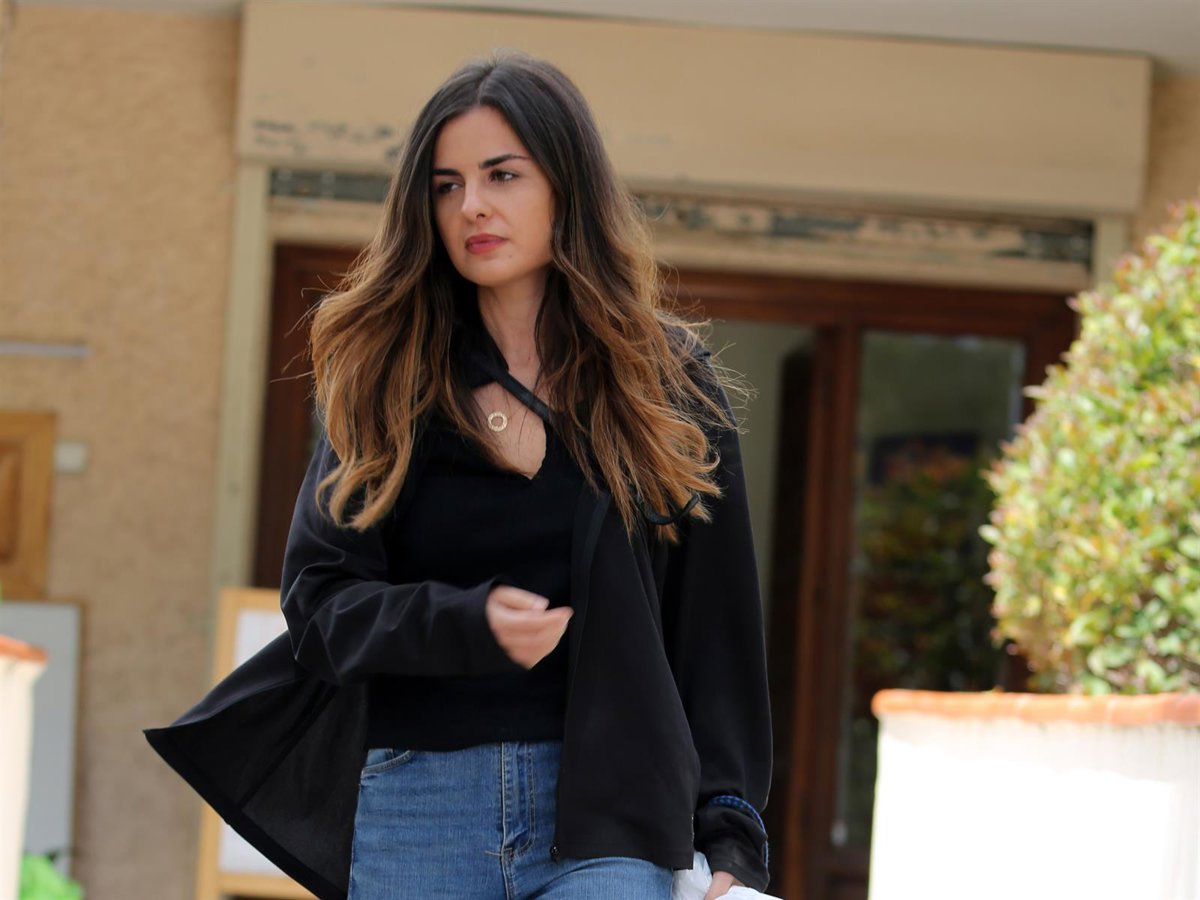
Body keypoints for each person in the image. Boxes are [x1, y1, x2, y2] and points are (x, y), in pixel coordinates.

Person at [145, 51, 771, 900]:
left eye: (502, 175)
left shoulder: (663, 381)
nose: (472, 205)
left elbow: (717, 629)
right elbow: (321, 606)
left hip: (608, 812)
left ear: (567, 186)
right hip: (418, 805)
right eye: (446, 186)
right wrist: (464, 621)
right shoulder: (387, 379)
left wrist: (731, 825)